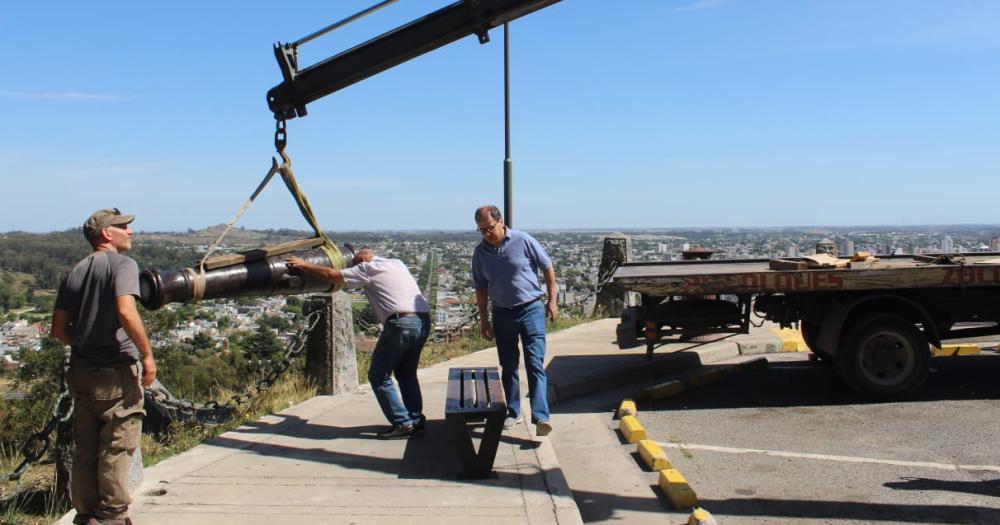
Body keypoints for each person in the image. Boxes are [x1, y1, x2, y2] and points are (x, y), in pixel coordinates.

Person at [50, 208, 157, 525]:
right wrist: (147, 354)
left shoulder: (75, 272)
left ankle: (85, 515)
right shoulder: (122, 265)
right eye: (124, 227)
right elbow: (126, 310)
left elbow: (58, 330)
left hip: (82, 373)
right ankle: (111, 517)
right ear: (107, 233)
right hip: (115, 372)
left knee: (85, 448)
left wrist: (85, 343)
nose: (131, 232)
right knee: (117, 445)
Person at [286, 246, 431, 439]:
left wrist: (304, 264)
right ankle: (415, 419)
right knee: (406, 373)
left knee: (379, 375)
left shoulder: (366, 268)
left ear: (360, 260)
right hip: (422, 320)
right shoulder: (397, 263)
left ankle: (402, 422)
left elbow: (331, 275)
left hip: (400, 323)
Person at [471, 205, 558, 436]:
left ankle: (541, 417)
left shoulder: (523, 240)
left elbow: (547, 267)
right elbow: (480, 287)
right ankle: (513, 412)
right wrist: (484, 320)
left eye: (489, 228)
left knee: (534, 363)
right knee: (508, 366)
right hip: (502, 313)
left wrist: (552, 300)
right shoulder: (480, 253)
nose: (486, 234)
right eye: (481, 230)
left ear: (501, 222)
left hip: (531, 309)